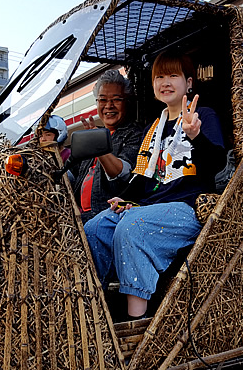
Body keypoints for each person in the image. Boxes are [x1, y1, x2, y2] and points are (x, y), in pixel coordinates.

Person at [84, 51, 227, 320]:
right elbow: (144, 176)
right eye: (159, 76)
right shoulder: (155, 127)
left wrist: (194, 135)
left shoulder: (203, 115)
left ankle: (135, 319)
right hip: (150, 207)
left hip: (186, 208)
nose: (165, 82)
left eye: (174, 75)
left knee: (132, 226)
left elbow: (216, 164)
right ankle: (94, 308)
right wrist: (124, 198)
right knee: (95, 228)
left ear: (189, 83)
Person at [69, 70, 143, 223]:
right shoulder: (92, 134)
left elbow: (122, 172)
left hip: (109, 217)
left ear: (127, 102)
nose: (108, 106)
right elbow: (71, 174)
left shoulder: (135, 134)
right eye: (102, 100)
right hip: (78, 217)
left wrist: (99, 146)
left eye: (116, 100)